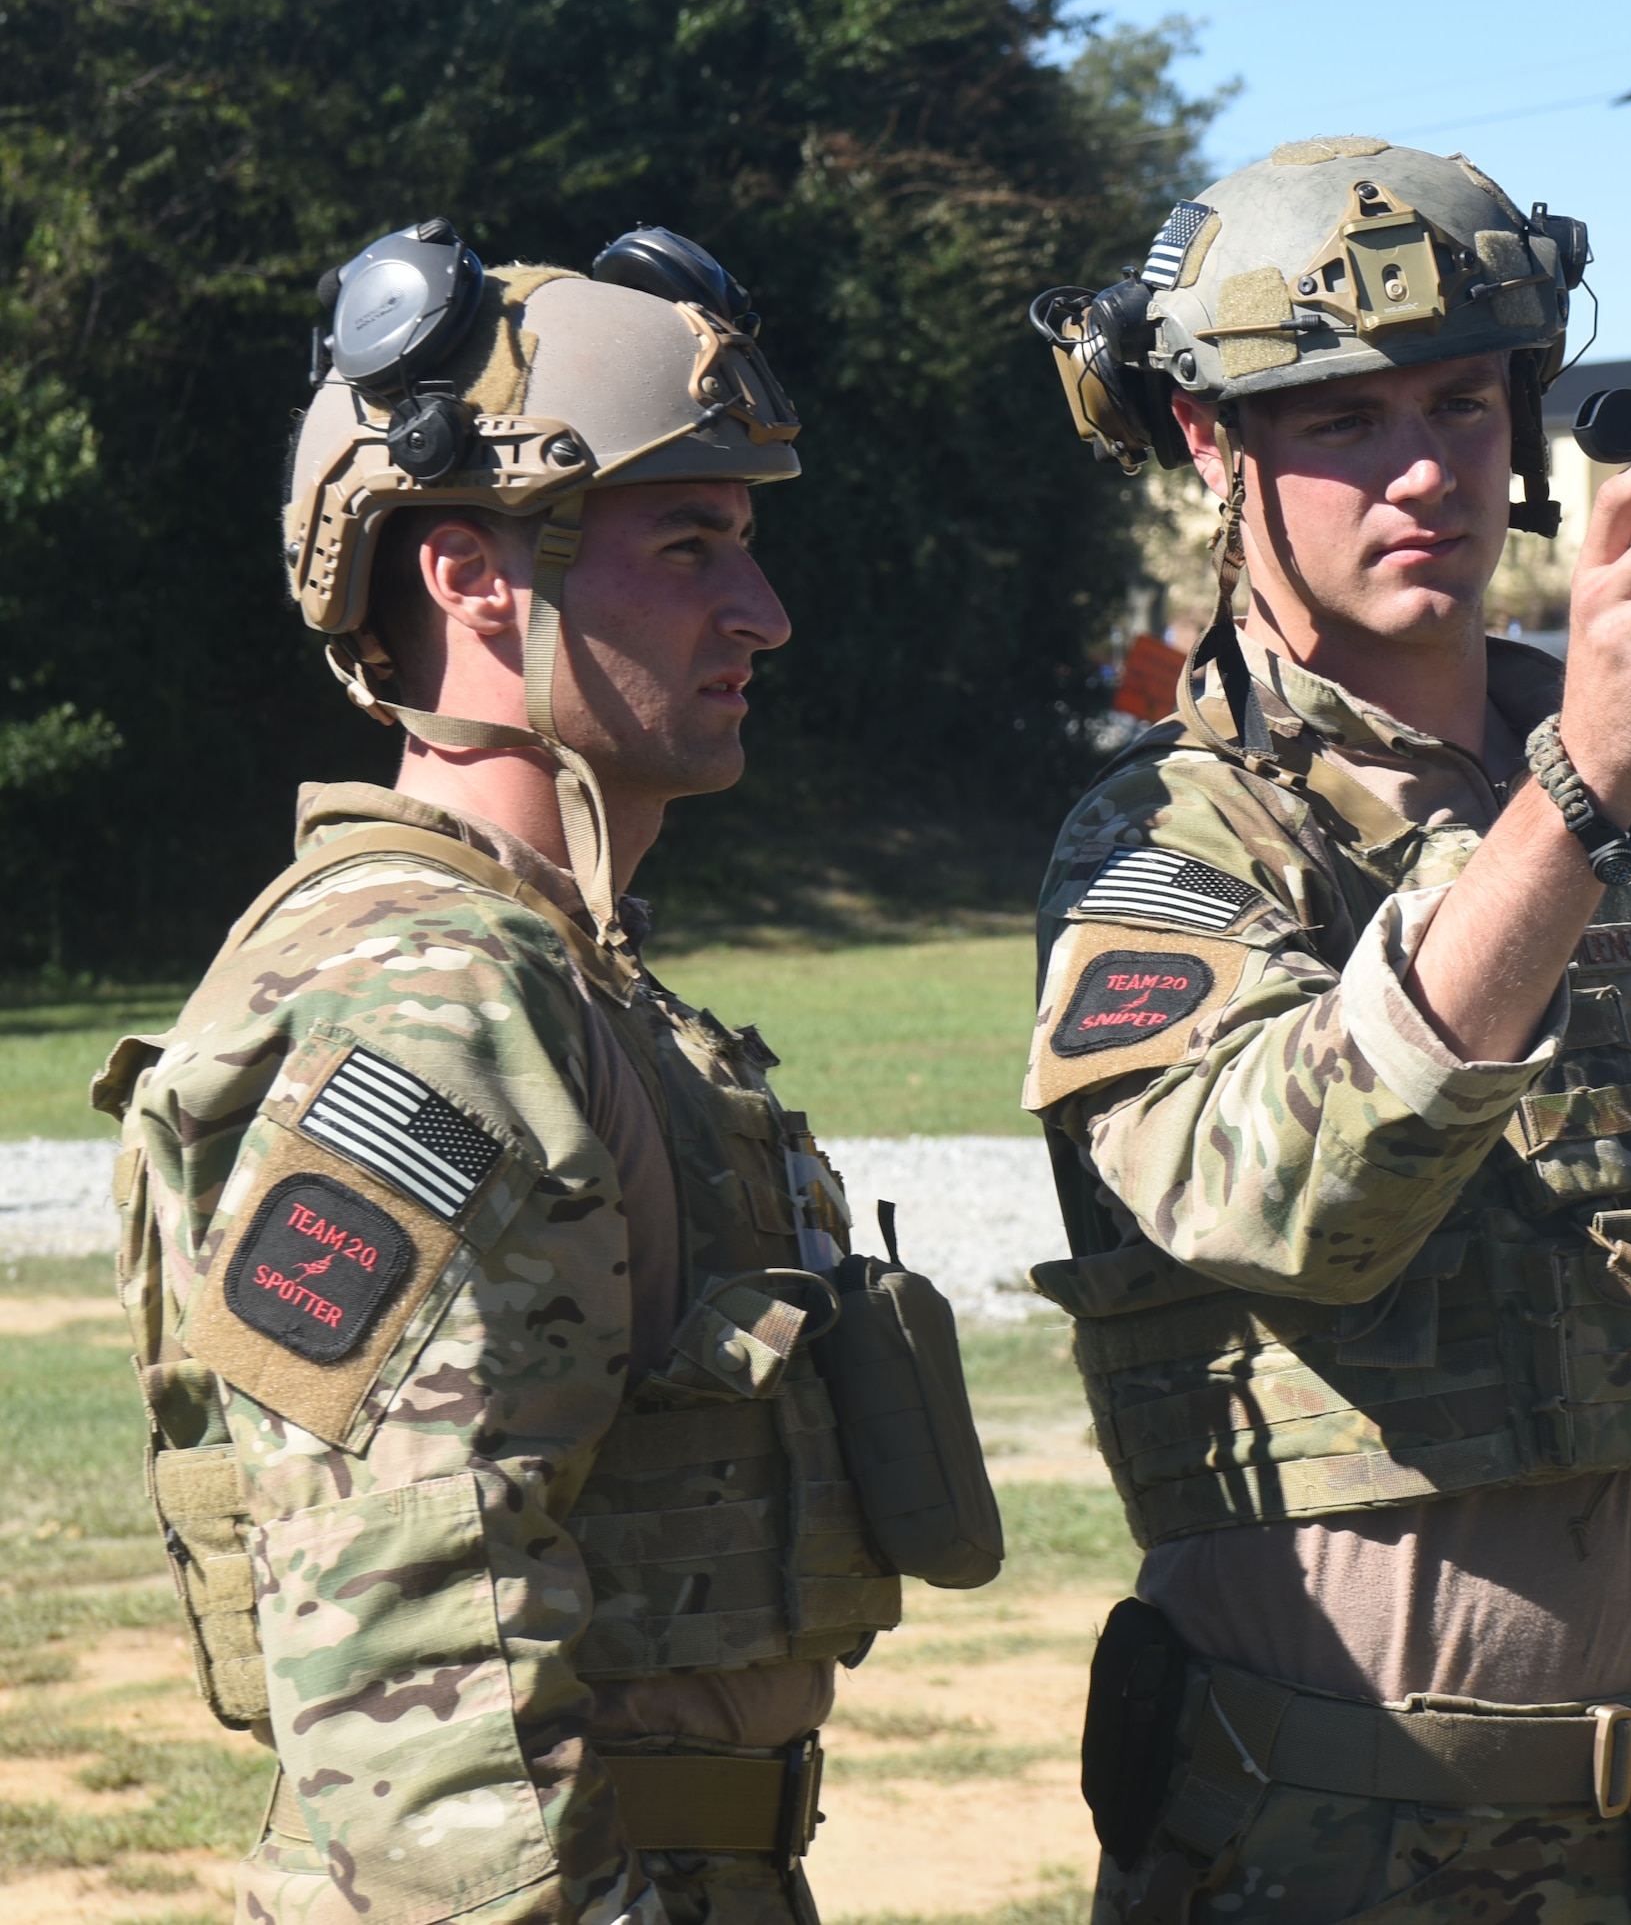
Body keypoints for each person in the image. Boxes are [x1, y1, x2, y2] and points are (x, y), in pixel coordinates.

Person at [1023, 139, 1631, 1923]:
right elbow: (1283, 1194)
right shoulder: (1167, 844)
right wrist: (1580, 790)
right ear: (1215, 450)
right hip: (1343, 1854)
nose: (1424, 471)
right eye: (1343, 421)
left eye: (1463, 402)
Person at [96, 221, 998, 1925]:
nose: (766, 611)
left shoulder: (558, 968)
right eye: (690, 543)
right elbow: (408, 1660)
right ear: (468, 575)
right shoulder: (435, 999)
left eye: (747, 540)